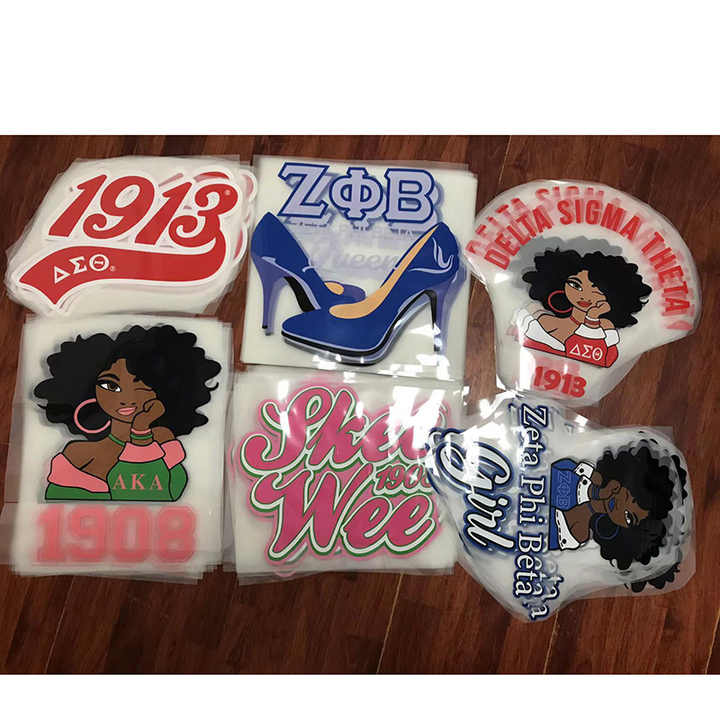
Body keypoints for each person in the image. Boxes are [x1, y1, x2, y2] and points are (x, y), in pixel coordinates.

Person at [34, 325, 221, 502]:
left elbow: (161, 494)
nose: (126, 399)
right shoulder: (76, 454)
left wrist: (141, 432)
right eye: (111, 386)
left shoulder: (163, 441)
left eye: (143, 388)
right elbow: (56, 502)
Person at [516, 248, 651, 367]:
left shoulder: (605, 326)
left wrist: (592, 319)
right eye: (576, 285)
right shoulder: (543, 321)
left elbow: (604, 358)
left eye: (597, 291)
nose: (584, 296)